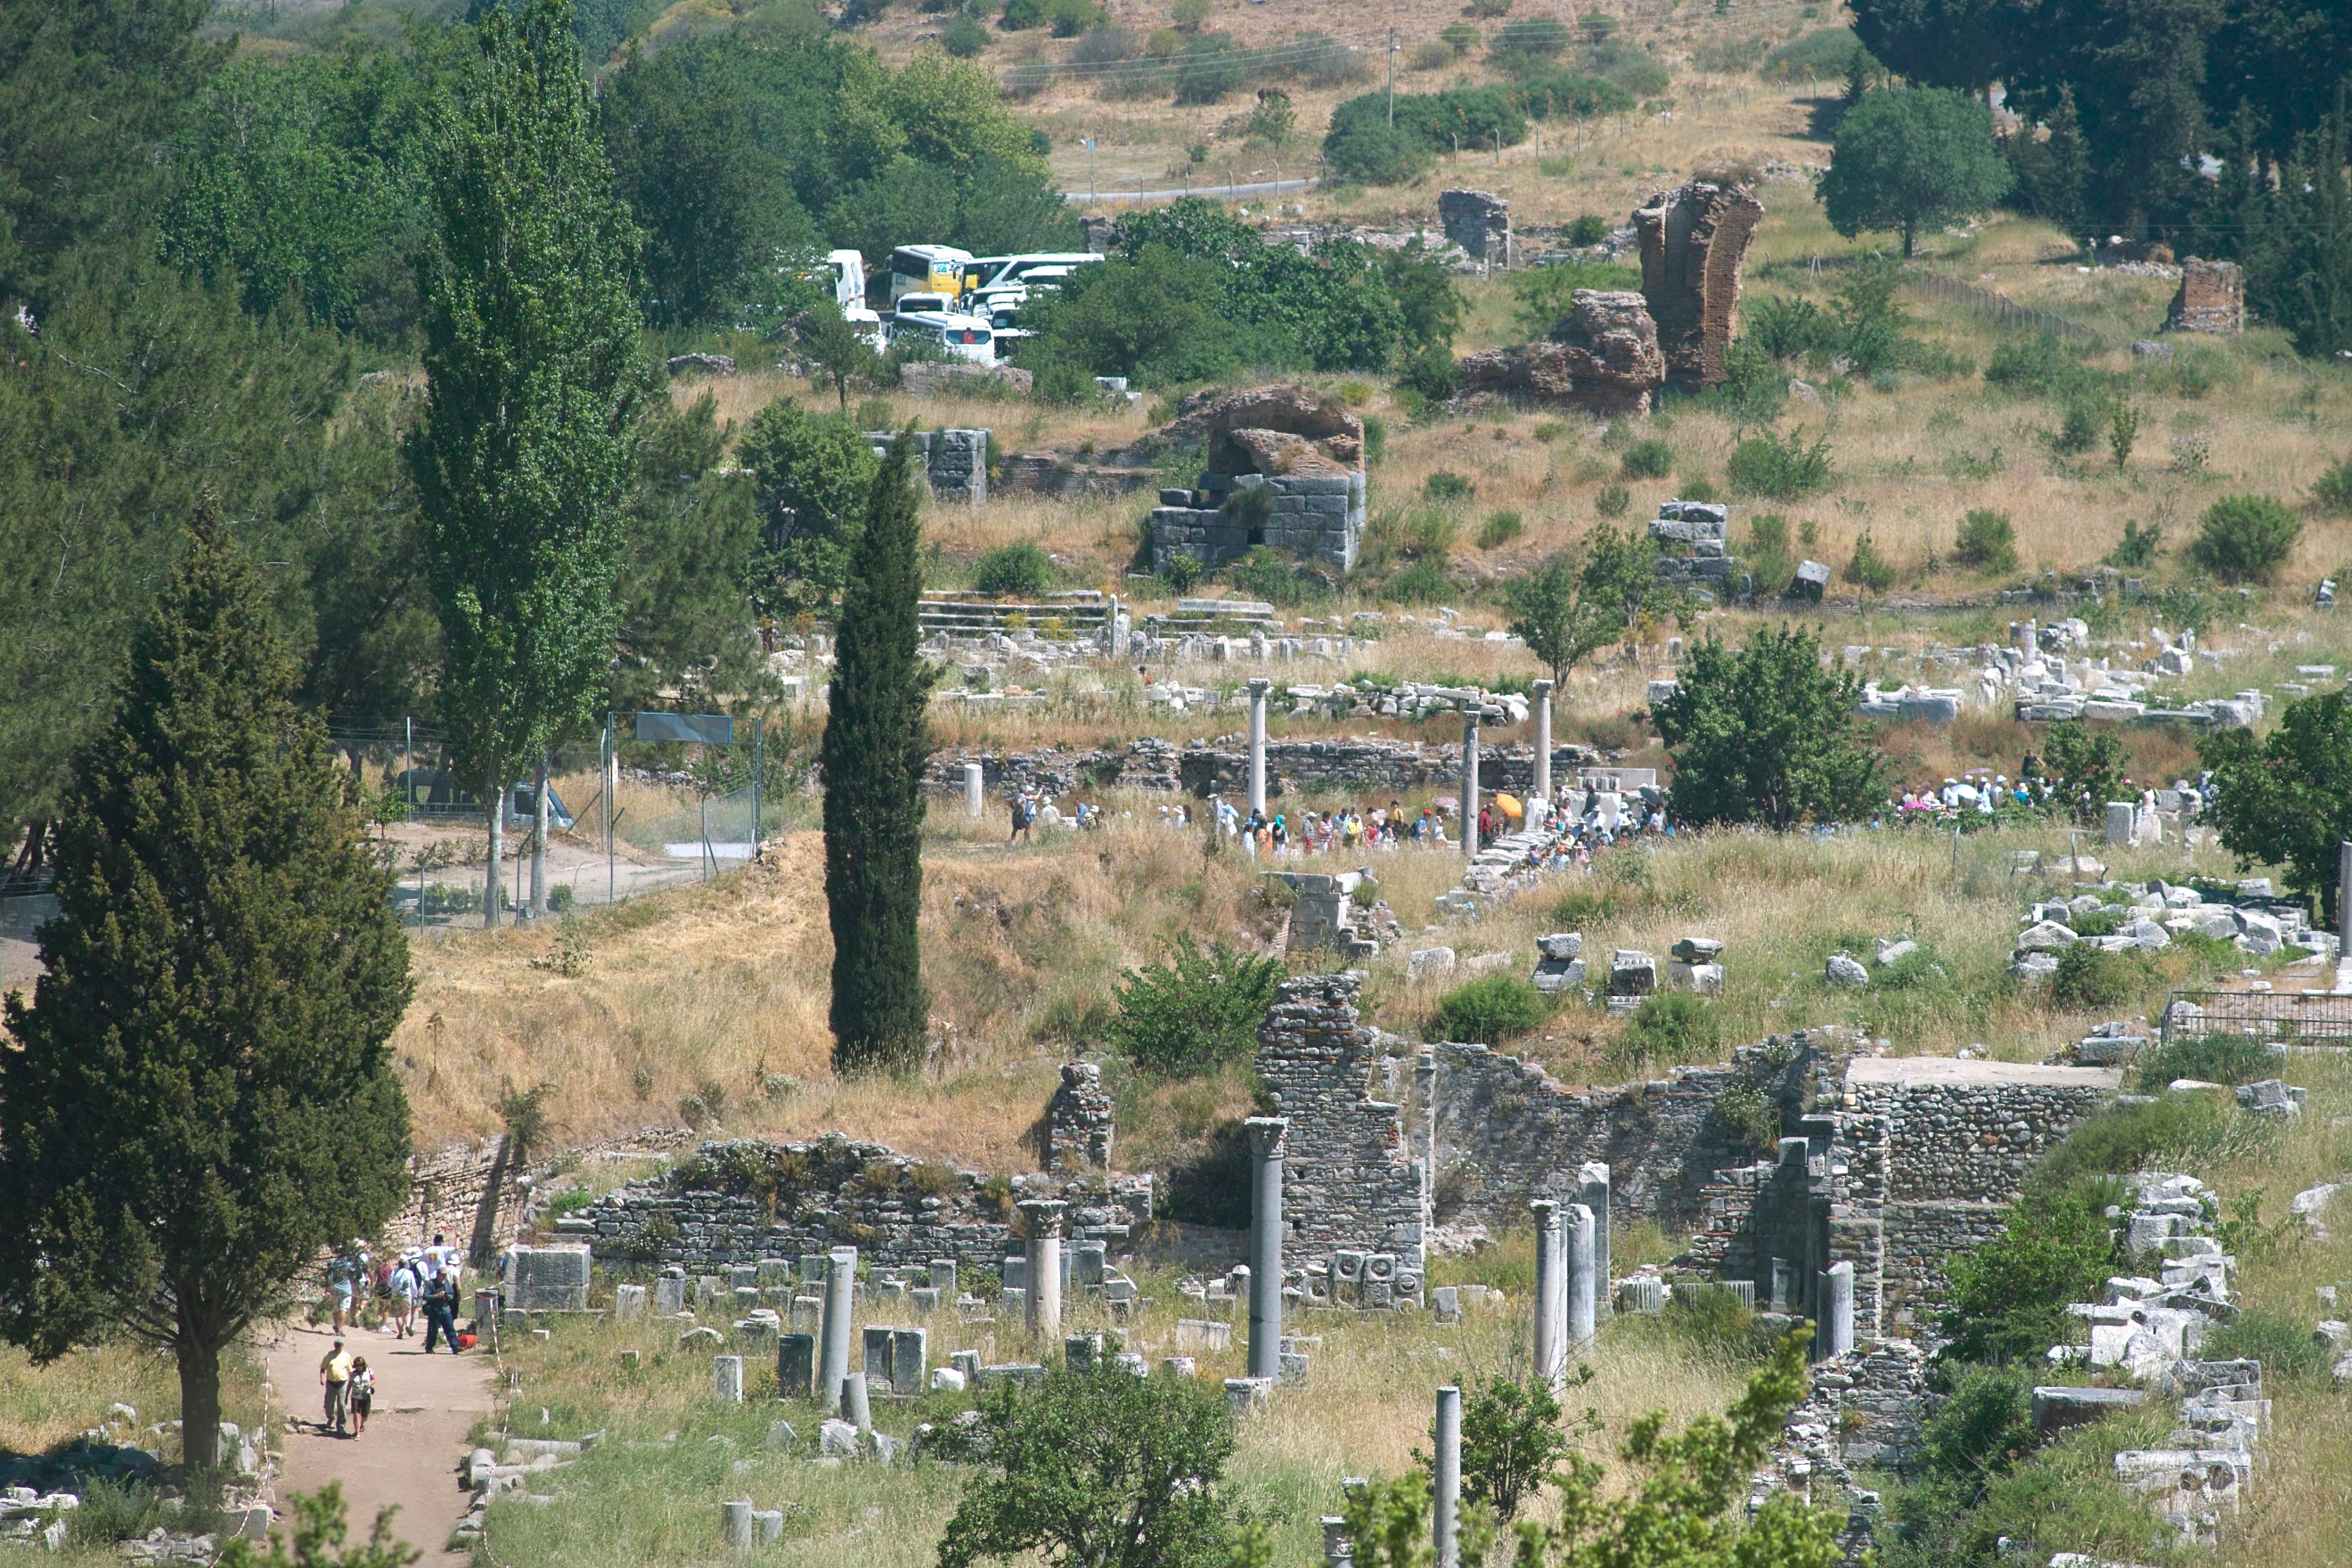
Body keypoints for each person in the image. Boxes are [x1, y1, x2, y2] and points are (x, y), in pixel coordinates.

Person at [319, 1339, 353, 1434]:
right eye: (336, 1345)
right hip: (330, 1383)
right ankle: (331, 1418)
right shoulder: (328, 1355)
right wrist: (322, 1378)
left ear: (343, 1345)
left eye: (339, 1345)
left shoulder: (346, 1356)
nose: (338, 1347)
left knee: (341, 1404)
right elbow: (322, 1369)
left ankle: (341, 1426)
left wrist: (353, 1380)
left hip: (342, 1383)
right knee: (329, 1403)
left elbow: (350, 1370)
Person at [421, 1270, 460, 1354]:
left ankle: (455, 1346)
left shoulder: (446, 1282)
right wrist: (436, 1296)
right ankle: (429, 1347)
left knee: (450, 1328)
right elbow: (425, 1296)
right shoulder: (431, 1283)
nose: (444, 1276)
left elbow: (451, 1294)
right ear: (438, 1274)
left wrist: (447, 1296)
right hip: (434, 1310)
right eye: (442, 1275)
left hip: (445, 1310)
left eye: (445, 1275)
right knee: (433, 1330)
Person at [388, 1254, 419, 1339]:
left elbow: (390, 1284)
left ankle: (400, 1332)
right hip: (406, 1295)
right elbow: (413, 1286)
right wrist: (414, 1295)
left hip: (396, 1295)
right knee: (408, 1312)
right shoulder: (409, 1273)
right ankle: (408, 1325)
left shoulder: (394, 1272)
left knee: (398, 1314)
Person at [347, 1357, 374, 1438]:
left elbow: (374, 1379)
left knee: (365, 1417)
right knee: (356, 1414)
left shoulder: (369, 1371)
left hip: (366, 1395)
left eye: (361, 1365)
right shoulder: (352, 1374)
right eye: (357, 1365)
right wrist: (346, 1397)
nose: (359, 1367)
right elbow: (349, 1385)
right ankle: (357, 1433)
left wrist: (370, 1383)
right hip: (355, 1396)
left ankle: (361, 1424)